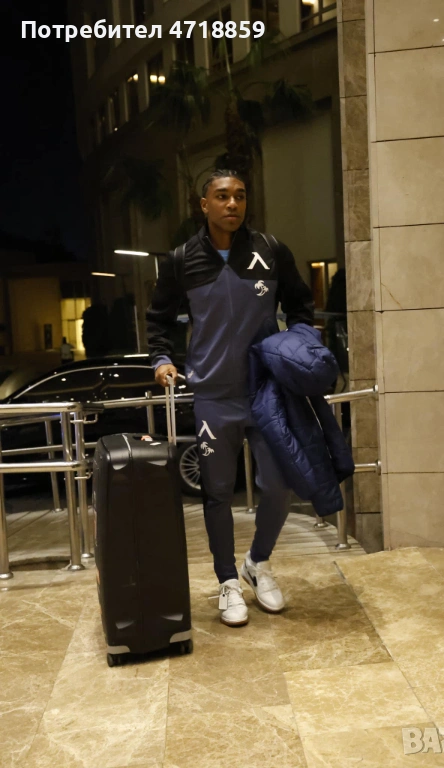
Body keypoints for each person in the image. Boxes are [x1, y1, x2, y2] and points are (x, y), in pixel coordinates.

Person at [146, 169, 315, 627]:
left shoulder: (271, 250)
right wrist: (162, 359)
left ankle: (257, 562)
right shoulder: (182, 259)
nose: (232, 204)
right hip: (213, 395)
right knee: (217, 492)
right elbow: (158, 320)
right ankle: (226, 580)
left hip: (266, 390)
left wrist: (298, 347)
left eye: (240, 195)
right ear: (204, 205)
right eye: (222, 196)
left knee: (278, 485)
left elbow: (301, 306)